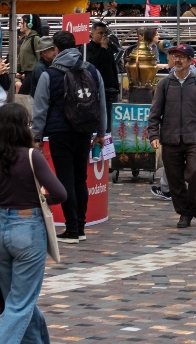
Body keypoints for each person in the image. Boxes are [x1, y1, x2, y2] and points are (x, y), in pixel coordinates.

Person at [0, 102, 68, 344]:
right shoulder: (31, 156)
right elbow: (61, 194)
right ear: (23, 127)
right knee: (20, 303)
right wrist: (43, 200)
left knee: (15, 299)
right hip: (27, 228)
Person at [30, 29, 106, 243]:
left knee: (65, 180)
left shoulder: (49, 74)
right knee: (80, 179)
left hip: (59, 133)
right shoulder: (92, 70)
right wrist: (100, 132)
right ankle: (80, 228)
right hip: (84, 131)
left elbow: (40, 109)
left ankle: (72, 229)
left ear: (56, 49)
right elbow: (101, 105)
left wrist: (37, 137)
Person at [147, 44, 196, 229]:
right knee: (174, 178)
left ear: (190, 61)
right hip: (170, 138)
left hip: (193, 136)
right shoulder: (164, 84)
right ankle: (184, 213)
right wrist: (153, 134)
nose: (177, 60)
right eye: (174, 56)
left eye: (181, 56)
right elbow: (155, 112)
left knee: (195, 172)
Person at [85, 20, 119, 131]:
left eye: (105, 33)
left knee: (111, 123)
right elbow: (93, 63)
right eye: (100, 33)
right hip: (97, 91)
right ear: (92, 34)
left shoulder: (108, 48)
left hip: (110, 90)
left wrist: (116, 86)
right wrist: (102, 49)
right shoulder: (87, 48)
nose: (103, 36)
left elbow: (112, 67)